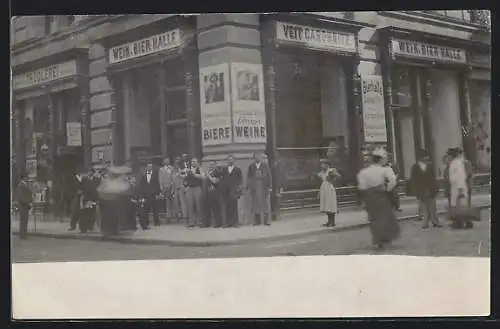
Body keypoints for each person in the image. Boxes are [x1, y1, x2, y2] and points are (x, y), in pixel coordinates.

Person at [357, 147, 400, 250]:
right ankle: (385, 238)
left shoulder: (363, 172)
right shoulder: (385, 170)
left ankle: (378, 239)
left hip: (369, 197)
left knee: (374, 218)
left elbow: (362, 187)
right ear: (380, 159)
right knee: (385, 216)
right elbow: (393, 181)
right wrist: (387, 189)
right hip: (382, 195)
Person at [408, 150, 442, 229]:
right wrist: (416, 190)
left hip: (431, 189)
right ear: (421, 158)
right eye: (425, 157)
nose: (427, 159)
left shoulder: (430, 166)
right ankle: (425, 223)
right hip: (421, 189)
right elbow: (413, 180)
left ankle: (435, 221)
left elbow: (433, 178)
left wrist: (435, 188)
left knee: (433, 207)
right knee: (423, 207)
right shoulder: (415, 167)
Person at [97, 166, 132, 237]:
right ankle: (108, 231)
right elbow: (100, 191)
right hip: (107, 203)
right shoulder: (107, 181)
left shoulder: (115, 182)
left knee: (113, 217)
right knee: (109, 218)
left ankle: (113, 231)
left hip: (113, 202)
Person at [447, 147, 472, 229]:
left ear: (452, 156)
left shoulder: (457, 163)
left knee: (460, 206)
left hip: (458, 187)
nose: (448, 157)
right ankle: (462, 222)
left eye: (449, 155)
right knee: (458, 206)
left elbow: (461, 176)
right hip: (455, 186)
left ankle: (461, 223)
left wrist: (460, 189)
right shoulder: (454, 163)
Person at [247, 152, 272, 226]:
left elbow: (269, 176)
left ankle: (266, 221)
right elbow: (249, 177)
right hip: (255, 187)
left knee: (265, 204)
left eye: (259, 157)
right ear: (254, 158)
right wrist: (249, 186)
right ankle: (257, 221)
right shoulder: (251, 166)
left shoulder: (265, 165)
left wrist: (270, 186)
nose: (257, 158)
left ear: (261, 158)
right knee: (255, 204)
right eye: (256, 157)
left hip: (263, 187)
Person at [317, 158, 341, 227]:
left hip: (329, 189)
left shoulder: (331, 170)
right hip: (324, 189)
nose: (322, 165)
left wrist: (333, 177)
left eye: (324, 164)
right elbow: (322, 182)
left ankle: (332, 222)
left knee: (330, 205)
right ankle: (329, 221)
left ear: (327, 165)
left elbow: (339, 176)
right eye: (321, 164)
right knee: (326, 205)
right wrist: (319, 192)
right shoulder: (322, 172)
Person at [137, 163, 161, 229]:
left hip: (153, 194)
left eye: (150, 167)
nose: (149, 168)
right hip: (146, 195)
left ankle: (156, 221)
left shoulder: (155, 176)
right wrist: (142, 195)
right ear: (146, 168)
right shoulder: (144, 176)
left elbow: (157, 185)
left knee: (155, 209)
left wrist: (157, 193)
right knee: (146, 209)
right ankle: (146, 222)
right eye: (148, 167)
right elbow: (142, 186)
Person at [221, 154, 243, 228]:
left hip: (234, 190)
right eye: (229, 160)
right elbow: (222, 179)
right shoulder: (224, 169)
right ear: (227, 161)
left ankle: (235, 222)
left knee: (234, 206)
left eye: (231, 159)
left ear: (234, 160)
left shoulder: (237, 169)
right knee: (227, 207)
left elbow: (240, 180)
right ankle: (228, 222)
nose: (230, 161)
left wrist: (239, 188)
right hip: (225, 190)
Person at [184, 158, 205, 228]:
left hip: (197, 188)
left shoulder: (200, 169)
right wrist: (186, 187)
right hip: (190, 188)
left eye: (194, 161)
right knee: (190, 205)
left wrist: (195, 174)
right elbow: (185, 179)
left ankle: (200, 221)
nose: (193, 163)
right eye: (192, 161)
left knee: (198, 205)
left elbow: (203, 177)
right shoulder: (188, 170)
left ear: (197, 162)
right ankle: (191, 222)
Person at [204, 160, 224, 227]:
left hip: (216, 192)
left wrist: (208, 175)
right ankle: (208, 223)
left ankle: (218, 223)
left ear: (215, 165)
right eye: (210, 164)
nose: (211, 166)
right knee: (208, 208)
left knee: (216, 208)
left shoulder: (217, 172)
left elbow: (215, 181)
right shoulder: (209, 172)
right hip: (208, 192)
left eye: (212, 164)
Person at [68, 167, 87, 232]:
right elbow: (71, 188)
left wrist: (83, 191)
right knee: (74, 212)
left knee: (82, 213)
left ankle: (83, 228)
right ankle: (73, 226)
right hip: (76, 197)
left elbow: (87, 187)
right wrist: (75, 192)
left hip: (83, 197)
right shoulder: (73, 179)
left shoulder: (85, 179)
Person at [15, 173, 33, 240]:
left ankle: (24, 234)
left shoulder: (25, 185)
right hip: (22, 206)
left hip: (25, 205)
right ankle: (22, 235)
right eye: (26, 177)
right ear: (23, 178)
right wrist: (28, 203)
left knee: (25, 221)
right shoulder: (20, 186)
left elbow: (28, 194)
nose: (27, 179)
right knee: (23, 220)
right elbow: (21, 197)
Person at [159, 158, 175, 223]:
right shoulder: (161, 169)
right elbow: (160, 179)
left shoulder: (172, 168)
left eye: (168, 161)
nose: (167, 162)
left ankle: (175, 214)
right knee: (167, 201)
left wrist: (173, 186)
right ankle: (168, 216)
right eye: (165, 161)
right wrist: (161, 187)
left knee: (173, 201)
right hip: (165, 187)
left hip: (172, 186)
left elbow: (173, 177)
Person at [173, 156, 187, 222]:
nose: (176, 163)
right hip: (175, 188)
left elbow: (185, 178)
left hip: (181, 187)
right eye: (176, 162)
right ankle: (179, 215)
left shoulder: (183, 169)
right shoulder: (173, 170)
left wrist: (183, 186)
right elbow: (172, 180)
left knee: (182, 202)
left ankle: (185, 216)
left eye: (178, 162)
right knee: (176, 202)